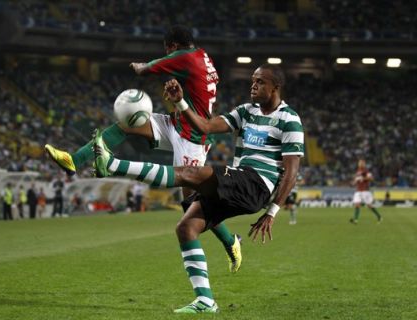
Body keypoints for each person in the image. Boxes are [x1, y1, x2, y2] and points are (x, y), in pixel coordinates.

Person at [92, 64, 304, 313]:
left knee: (189, 173)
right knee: (186, 227)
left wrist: (272, 212)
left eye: (260, 82)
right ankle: (205, 300)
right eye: (252, 81)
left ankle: (112, 165)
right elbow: (205, 127)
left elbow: (291, 172)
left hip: (257, 184)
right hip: (239, 183)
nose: (253, 86)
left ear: (275, 87)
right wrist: (181, 103)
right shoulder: (247, 112)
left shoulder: (289, 120)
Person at [44, 25, 241, 272]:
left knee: (192, 203)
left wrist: (140, 66)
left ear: (172, 46)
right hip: (176, 123)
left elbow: (148, 68)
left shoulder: (186, 57)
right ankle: (74, 160)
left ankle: (230, 240)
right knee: (127, 124)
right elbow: (193, 85)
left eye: (167, 50)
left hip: (192, 136)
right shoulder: (202, 56)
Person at [350, 159, 383, 224]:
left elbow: (371, 178)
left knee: (369, 206)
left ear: (364, 164)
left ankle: (379, 216)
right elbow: (356, 180)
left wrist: (363, 178)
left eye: (362, 163)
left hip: (365, 191)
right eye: (359, 163)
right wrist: (354, 182)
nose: (360, 164)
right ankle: (355, 220)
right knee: (357, 204)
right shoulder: (357, 171)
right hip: (358, 190)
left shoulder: (366, 171)